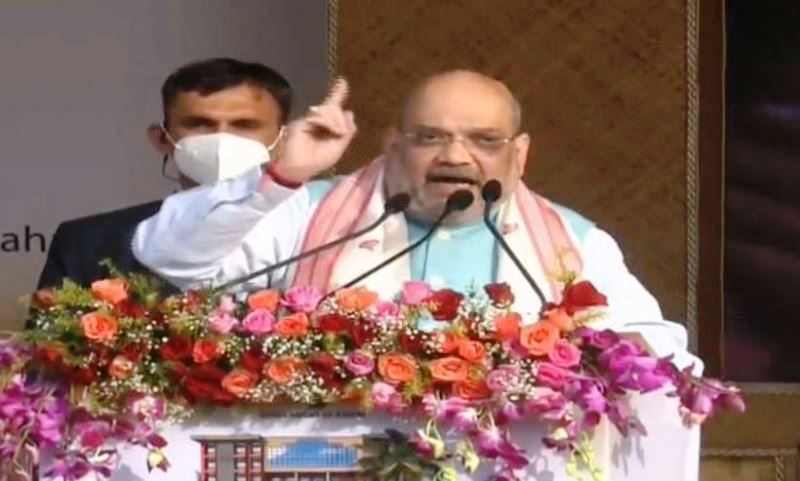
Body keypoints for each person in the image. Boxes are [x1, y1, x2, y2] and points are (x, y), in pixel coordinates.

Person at [132, 70, 697, 369]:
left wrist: (627, 351)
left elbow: (661, 350)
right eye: (430, 137)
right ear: (394, 144)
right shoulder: (307, 212)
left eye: (484, 140)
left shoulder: (573, 243)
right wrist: (281, 176)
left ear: (520, 154)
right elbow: (169, 257)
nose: (456, 156)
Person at [36, 58, 292, 289]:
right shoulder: (87, 241)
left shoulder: (311, 233)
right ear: (161, 138)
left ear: (284, 141)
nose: (221, 139)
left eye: (244, 125)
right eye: (199, 124)